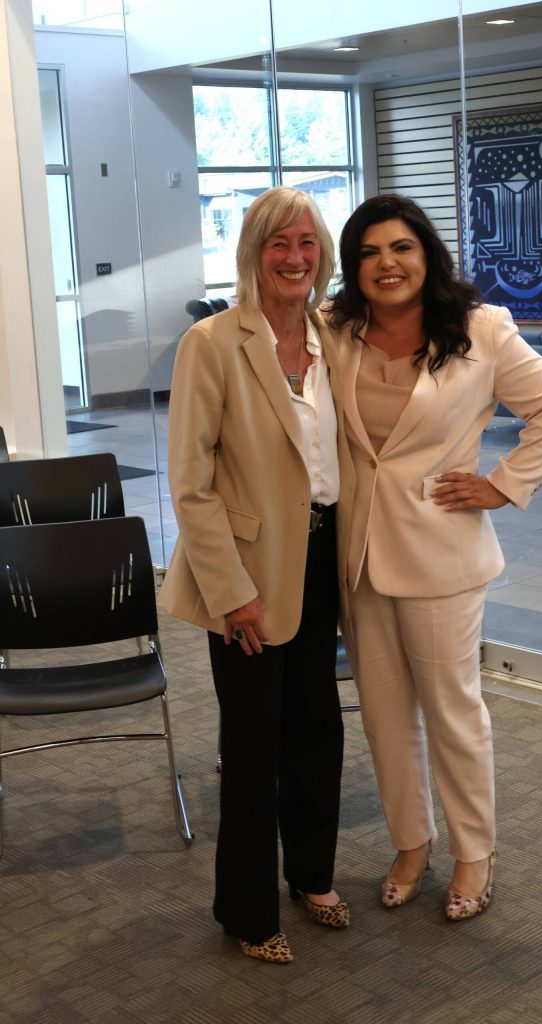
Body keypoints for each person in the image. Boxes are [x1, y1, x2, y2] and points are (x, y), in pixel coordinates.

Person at [328, 194, 542, 922]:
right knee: (382, 715)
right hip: (362, 555)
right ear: (355, 266)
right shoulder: (337, 331)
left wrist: (503, 486)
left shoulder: (479, 330)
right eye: (370, 252)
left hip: (441, 554)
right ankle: (412, 842)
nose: (386, 264)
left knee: (451, 712)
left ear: (426, 254)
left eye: (400, 248)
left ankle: (475, 850)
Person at [160, 187, 352, 963]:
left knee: (318, 726)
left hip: (320, 556)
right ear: (252, 251)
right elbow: (191, 481)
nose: (295, 257)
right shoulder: (212, 343)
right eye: (279, 243)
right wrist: (230, 590)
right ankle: (246, 911)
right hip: (245, 571)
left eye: (307, 243)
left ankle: (311, 875)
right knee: (252, 742)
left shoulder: (333, 336)